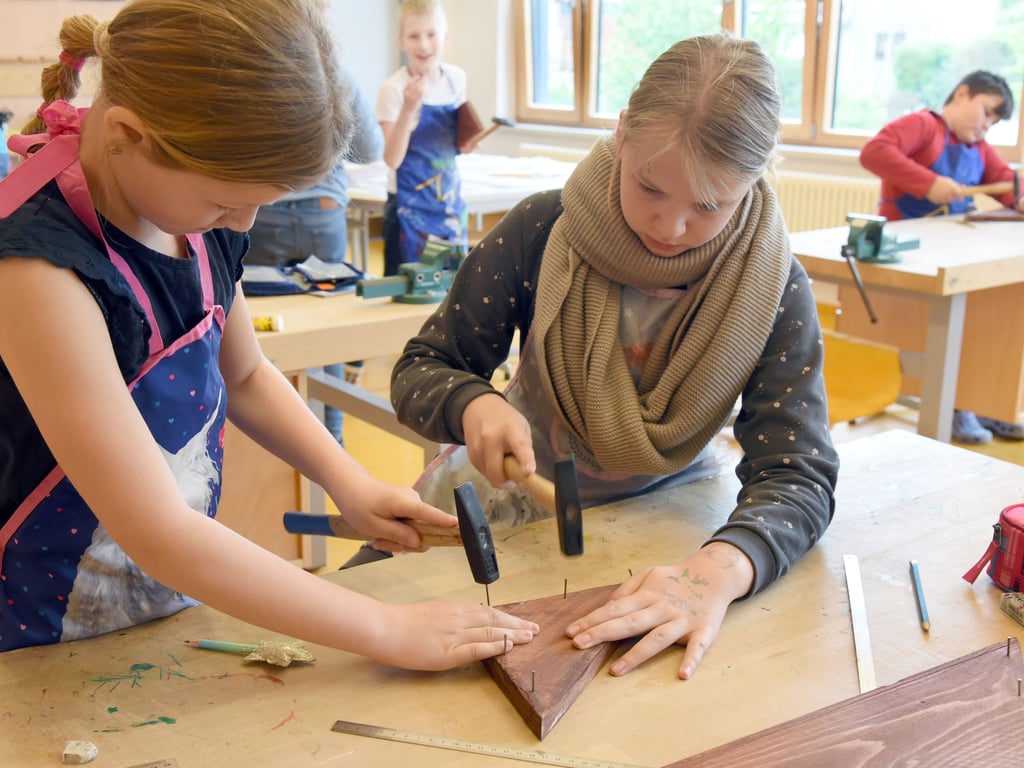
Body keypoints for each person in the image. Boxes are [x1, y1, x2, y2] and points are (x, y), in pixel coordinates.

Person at [0, 0, 537, 664]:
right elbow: (159, 529)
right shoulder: (37, 272)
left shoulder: (193, 222)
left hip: (161, 592)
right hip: (35, 629)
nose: (242, 223)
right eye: (225, 199)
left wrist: (349, 481)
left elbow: (248, 376)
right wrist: (384, 628)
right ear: (127, 134)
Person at [391, 34, 839, 680]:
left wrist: (724, 566)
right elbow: (421, 369)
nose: (671, 226)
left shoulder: (772, 285)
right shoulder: (543, 231)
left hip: (669, 526)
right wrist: (472, 403)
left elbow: (798, 473)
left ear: (755, 179)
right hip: (509, 508)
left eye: (710, 205)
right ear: (622, 133)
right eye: (650, 188)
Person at [860, 70, 1024, 445]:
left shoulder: (978, 148)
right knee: (951, 327)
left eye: (994, 123)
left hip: (952, 249)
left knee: (987, 315)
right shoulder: (922, 125)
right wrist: (928, 183)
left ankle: (984, 400)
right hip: (911, 250)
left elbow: (1007, 183)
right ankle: (954, 404)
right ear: (963, 94)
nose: (986, 127)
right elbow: (874, 152)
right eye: (986, 113)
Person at [246, 66, 383, 444]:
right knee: (328, 329)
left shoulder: (258, 69)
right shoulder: (338, 73)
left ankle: (278, 447)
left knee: (263, 330)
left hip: (262, 207)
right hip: (322, 211)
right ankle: (329, 442)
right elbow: (371, 149)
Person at [377, 0, 470, 277]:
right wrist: (409, 108)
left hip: (448, 204)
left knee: (453, 289)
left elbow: (454, 144)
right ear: (401, 42)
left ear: (446, 37)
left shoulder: (456, 79)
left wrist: (469, 143)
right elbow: (392, 159)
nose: (424, 45)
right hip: (407, 210)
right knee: (407, 292)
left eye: (431, 34)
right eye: (414, 36)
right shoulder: (392, 89)